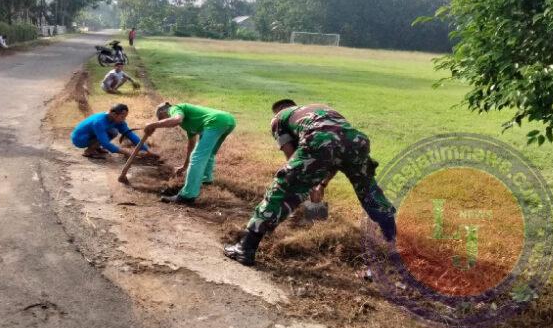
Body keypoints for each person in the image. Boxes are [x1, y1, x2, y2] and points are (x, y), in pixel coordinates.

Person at [224, 100, 397, 266]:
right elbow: (337, 153)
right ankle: (394, 248)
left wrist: (307, 184)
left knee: (283, 188)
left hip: (320, 140)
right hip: (357, 142)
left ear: (278, 110)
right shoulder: (319, 109)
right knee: (370, 192)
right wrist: (321, 184)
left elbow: (292, 159)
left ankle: (245, 247)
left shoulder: (278, 118)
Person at [144, 102, 236, 204]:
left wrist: (153, 125)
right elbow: (191, 147)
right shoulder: (189, 124)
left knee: (197, 157)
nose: (163, 122)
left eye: (162, 118)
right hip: (228, 120)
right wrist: (184, 166)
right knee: (207, 153)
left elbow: (176, 120)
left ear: (164, 111)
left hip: (216, 121)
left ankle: (187, 196)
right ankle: (206, 180)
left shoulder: (174, 108)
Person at [71, 103, 152, 159]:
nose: (124, 119)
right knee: (109, 134)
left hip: (91, 135)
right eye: (122, 117)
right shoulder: (99, 122)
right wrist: (128, 152)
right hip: (79, 139)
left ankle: (96, 147)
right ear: (113, 114)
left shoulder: (117, 121)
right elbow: (106, 144)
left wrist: (147, 150)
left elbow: (129, 134)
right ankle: (89, 151)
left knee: (113, 132)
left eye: (125, 117)